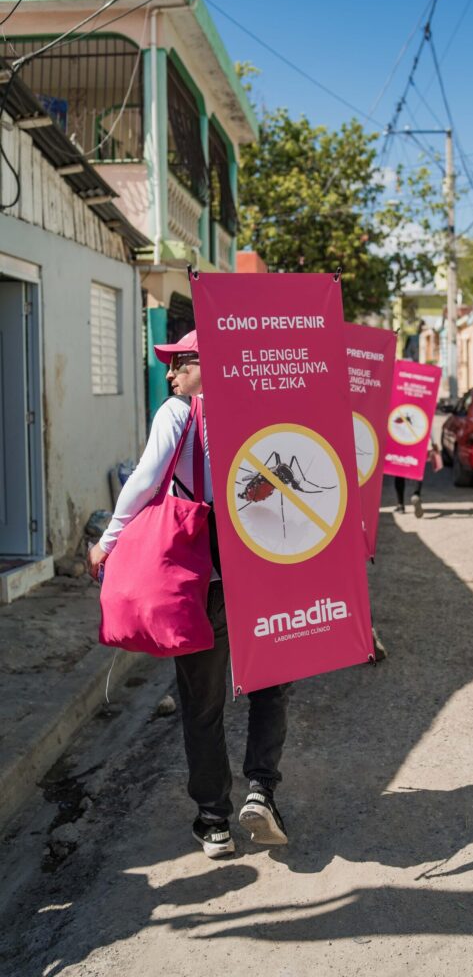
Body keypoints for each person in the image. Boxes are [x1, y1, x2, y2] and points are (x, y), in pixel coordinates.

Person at [87, 330, 290, 859]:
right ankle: (261, 790)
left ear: (206, 364)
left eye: (179, 363)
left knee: (203, 703)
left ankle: (214, 819)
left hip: (203, 582)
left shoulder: (179, 412)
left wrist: (107, 541)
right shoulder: (265, 403)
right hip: (263, 572)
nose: (171, 374)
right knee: (269, 685)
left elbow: (145, 480)